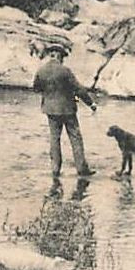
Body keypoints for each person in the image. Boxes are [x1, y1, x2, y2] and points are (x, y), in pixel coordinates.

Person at [32, 43, 96, 183]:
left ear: (51, 55)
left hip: (50, 110)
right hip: (68, 110)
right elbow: (79, 90)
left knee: (54, 139)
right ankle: (81, 169)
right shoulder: (65, 71)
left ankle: (55, 170)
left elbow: (36, 88)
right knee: (75, 138)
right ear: (60, 56)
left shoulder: (41, 70)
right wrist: (91, 104)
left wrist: (49, 94)